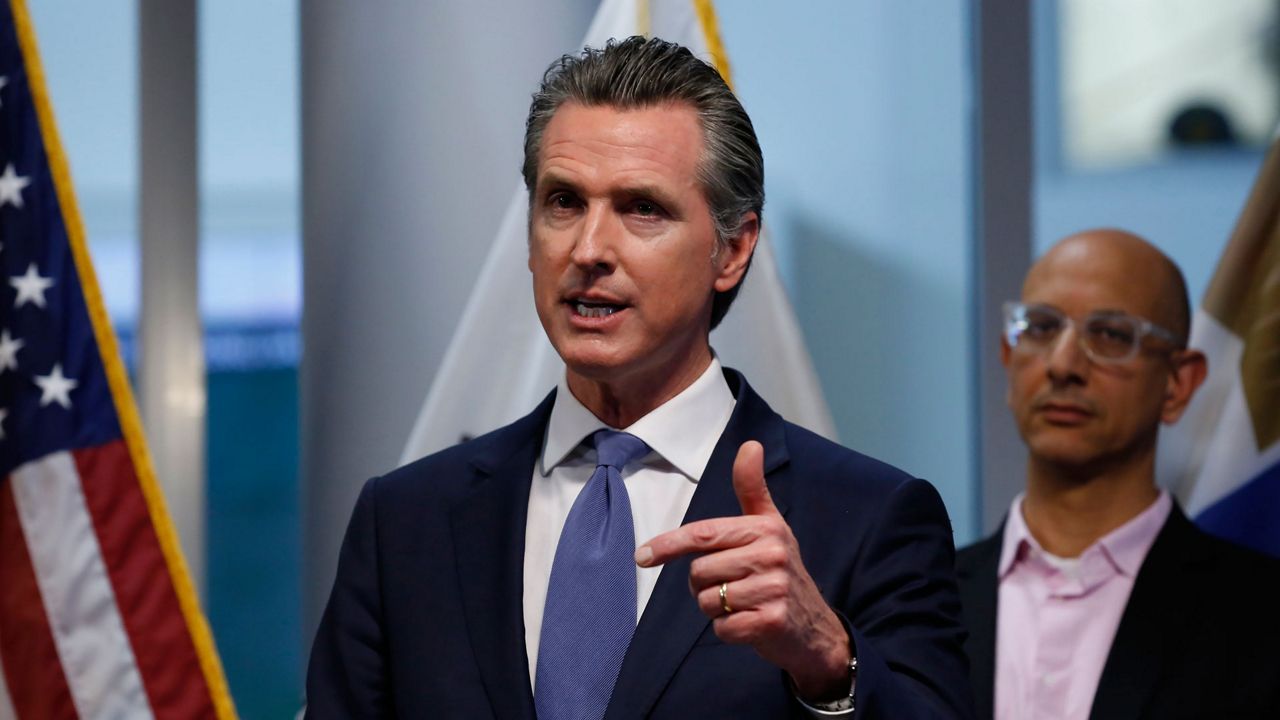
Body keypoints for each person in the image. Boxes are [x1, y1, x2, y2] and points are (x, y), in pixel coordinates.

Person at [306, 37, 973, 719]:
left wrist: (830, 661)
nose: (589, 250)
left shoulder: (868, 517)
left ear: (733, 250)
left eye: (642, 208)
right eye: (563, 201)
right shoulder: (407, 520)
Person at [957, 228, 1280, 720]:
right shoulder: (919, 597)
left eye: (1110, 335)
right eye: (1041, 327)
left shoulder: (1260, 617)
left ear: (1178, 383)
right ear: (1008, 357)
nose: (1063, 365)